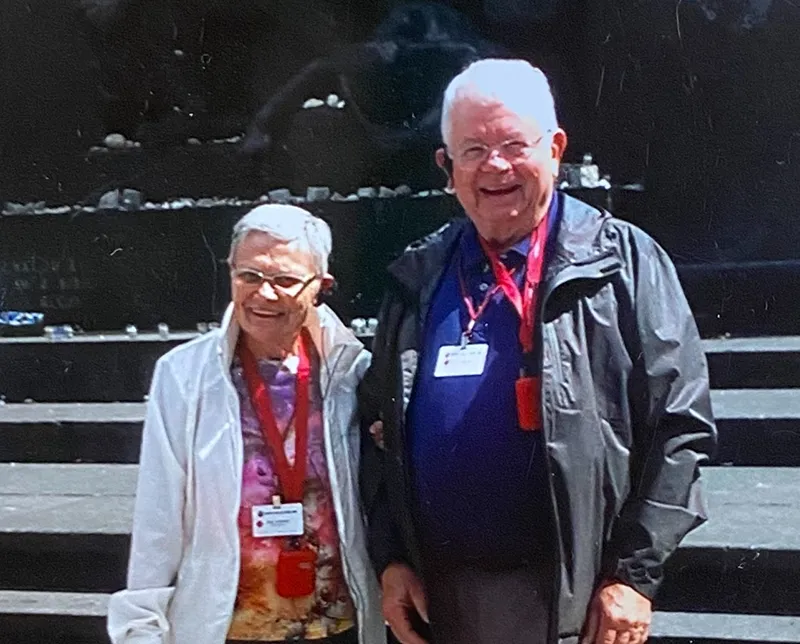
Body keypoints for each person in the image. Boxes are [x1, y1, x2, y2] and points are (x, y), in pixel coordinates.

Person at [359, 59, 717, 644]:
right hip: (445, 601)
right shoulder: (418, 274)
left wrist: (633, 577)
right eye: (472, 150)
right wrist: (391, 558)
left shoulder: (623, 262)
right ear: (446, 168)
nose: (494, 165)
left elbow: (680, 427)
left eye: (512, 144)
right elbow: (375, 430)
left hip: (577, 603)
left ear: (555, 148)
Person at [107, 205, 385, 644]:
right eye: (249, 276)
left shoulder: (353, 373)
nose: (264, 295)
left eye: (286, 280)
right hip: (229, 628)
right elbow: (158, 517)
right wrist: (142, 627)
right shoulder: (183, 376)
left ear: (321, 287)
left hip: (336, 626)